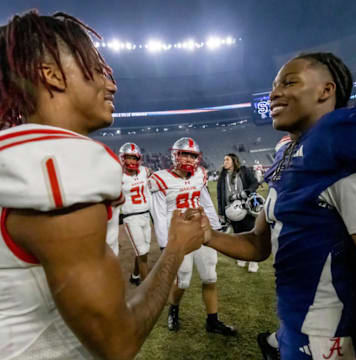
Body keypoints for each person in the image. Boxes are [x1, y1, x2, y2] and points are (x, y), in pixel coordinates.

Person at [0, 11, 205, 360]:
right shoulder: (57, 164)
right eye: (97, 70)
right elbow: (117, 343)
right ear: (51, 75)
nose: (111, 84)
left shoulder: (20, 153)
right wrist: (174, 250)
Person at [201, 52, 356, 359]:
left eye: (290, 82)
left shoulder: (338, 150)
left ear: (326, 90)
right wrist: (207, 235)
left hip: (332, 337)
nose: (274, 93)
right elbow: (259, 242)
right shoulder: (293, 157)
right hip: (294, 324)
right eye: (274, 85)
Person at [150, 137, 237, 336]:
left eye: (193, 155)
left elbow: (205, 202)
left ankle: (212, 321)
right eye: (185, 154)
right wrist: (165, 245)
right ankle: (174, 309)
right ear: (175, 155)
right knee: (183, 281)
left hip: (201, 230)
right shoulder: (160, 178)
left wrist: (216, 228)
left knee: (210, 277)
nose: (189, 159)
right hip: (180, 236)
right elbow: (160, 214)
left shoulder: (200, 174)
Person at [217, 153, 260, 272]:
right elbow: (220, 197)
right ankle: (243, 257)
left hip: (246, 207)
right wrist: (221, 213)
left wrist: (247, 191)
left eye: (227, 159)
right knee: (238, 236)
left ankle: (254, 261)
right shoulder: (222, 177)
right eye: (224, 159)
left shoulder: (244, 171)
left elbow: (255, 183)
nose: (224, 162)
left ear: (234, 161)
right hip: (231, 210)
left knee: (251, 235)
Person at [119, 142, 153, 286]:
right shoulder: (118, 176)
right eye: (129, 158)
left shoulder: (145, 171)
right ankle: (147, 289)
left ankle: (135, 276)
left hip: (146, 215)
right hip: (131, 217)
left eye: (134, 158)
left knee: (143, 251)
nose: (132, 161)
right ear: (123, 158)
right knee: (142, 252)